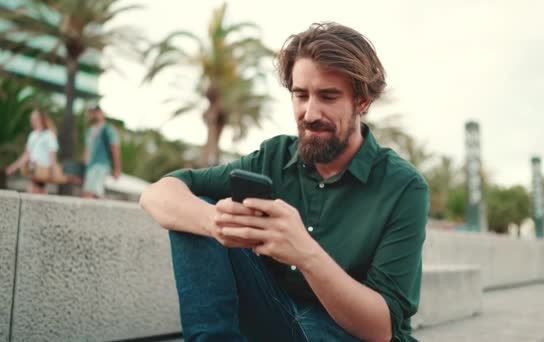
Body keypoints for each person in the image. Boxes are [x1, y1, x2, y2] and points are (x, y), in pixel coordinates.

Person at [140, 22, 428, 342]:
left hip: (348, 335)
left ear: (362, 102)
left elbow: (380, 328)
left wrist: (305, 253)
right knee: (196, 211)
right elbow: (158, 194)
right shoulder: (274, 156)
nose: (310, 112)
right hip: (277, 320)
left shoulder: (404, 187)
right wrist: (216, 223)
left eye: (328, 97)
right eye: (300, 95)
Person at [5, 109, 60, 194]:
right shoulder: (33, 135)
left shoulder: (49, 135)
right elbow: (26, 154)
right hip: (33, 168)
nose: (32, 121)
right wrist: (13, 167)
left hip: (42, 170)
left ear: (41, 119)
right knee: (34, 191)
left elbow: (52, 156)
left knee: (37, 191)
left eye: (34, 118)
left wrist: (54, 171)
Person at [81, 105, 121, 198]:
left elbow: (115, 148)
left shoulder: (108, 129)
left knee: (91, 194)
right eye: (92, 112)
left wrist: (117, 169)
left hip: (101, 165)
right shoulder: (89, 130)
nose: (94, 114)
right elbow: (87, 149)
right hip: (90, 166)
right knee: (91, 194)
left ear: (102, 113)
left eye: (97, 112)